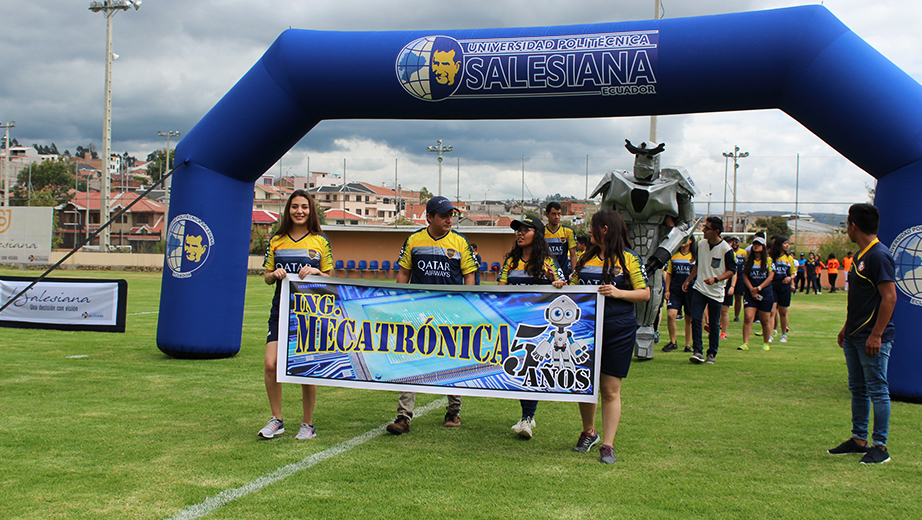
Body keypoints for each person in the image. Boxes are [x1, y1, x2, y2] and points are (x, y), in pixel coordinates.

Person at [386, 196, 478, 435]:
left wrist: (464, 306)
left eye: (451, 215)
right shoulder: (414, 239)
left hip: (451, 313)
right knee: (408, 361)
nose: (449, 219)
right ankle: (403, 416)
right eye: (443, 215)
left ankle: (453, 411)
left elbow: (469, 275)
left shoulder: (460, 242)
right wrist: (399, 302)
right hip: (417, 312)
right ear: (429, 217)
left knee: (453, 359)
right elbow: (403, 273)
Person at [569, 209, 650, 464]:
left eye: (593, 227)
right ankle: (588, 432)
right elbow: (573, 288)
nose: (589, 231)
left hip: (619, 329)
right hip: (586, 330)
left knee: (610, 390)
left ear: (605, 229)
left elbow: (645, 294)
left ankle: (608, 444)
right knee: (585, 385)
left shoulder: (630, 259)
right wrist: (561, 284)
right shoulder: (584, 259)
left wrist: (618, 292)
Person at [259, 190, 333, 440]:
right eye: (294, 207)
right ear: (288, 210)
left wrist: (315, 272)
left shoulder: (320, 241)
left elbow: (331, 278)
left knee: (305, 368)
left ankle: (308, 424)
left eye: (304, 207)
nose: (299, 211)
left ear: (311, 211)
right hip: (280, 309)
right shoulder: (277, 240)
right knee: (271, 365)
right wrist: (275, 275)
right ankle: (277, 420)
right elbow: (267, 277)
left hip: (309, 314)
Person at [827, 204, 896, 464]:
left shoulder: (879, 256)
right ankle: (858, 439)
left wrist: (877, 335)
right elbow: (858, 300)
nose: (847, 229)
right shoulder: (860, 255)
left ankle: (881, 446)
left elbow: (889, 298)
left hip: (872, 338)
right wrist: (847, 327)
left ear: (853, 226)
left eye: (847, 224)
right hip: (855, 336)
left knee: (877, 390)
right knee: (858, 389)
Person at [497, 215, 565, 439]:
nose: (520, 233)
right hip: (514, 324)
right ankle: (528, 415)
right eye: (518, 230)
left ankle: (527, 417)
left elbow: (563, 287)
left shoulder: (548, 261)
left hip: (539, 326)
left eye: (526, 230)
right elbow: (500, 290)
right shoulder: (511, 261)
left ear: (537, 234)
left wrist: (555, 283)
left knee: (530, 369)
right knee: (519, 370)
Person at [683, 217, 735, 364]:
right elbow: (699, 264)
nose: (703, 230)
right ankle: (697, 351)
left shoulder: (726, 249)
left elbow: (732, 270)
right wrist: (688, 280)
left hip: (716, 291)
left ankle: (711, 353)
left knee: (713, 324)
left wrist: (716, 279)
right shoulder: (701, 244)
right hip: (699, 288)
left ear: (716, 231)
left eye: (707, 228)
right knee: (696, 320)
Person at [737, 237, 775, 351]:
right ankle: (745, 343)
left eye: (759, 244)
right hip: (750, 292)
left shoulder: (768, 260)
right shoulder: (748, 260)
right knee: (748, 317)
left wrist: (759, 288)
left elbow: (770, 276)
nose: (756, 246)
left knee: (765, 320)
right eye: (754, 244)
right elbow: (745, 276)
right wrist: (752, 289)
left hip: (765, 292)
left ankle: (766, 343)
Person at [662, 236, 695, 352]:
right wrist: (667, 289)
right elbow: (669, 273)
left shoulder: (694, 257)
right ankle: (673, 342)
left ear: (691, 241)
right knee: (671, 315)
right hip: (675, 290)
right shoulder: (674, 256)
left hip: (690, 290)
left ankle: (688, 345)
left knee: (689, 318)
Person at [769, 236, 796, 343]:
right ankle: (770, 334)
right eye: (785, 243)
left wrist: (790, 278)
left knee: (783, 312)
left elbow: (793, 273)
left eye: (788, 243)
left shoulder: (789, 258)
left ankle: (784, 334)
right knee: (772, 311)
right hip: (773, 285)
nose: (787, 245)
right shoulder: (771, 258)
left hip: (784, 286)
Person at [545, 201, 578, 280]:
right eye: (553, 214)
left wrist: (574, 275)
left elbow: (573, 255)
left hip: (564, 274)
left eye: (559, 214)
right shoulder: (541, 232)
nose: (557, 217)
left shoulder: (568, 231)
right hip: (546, 274)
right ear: (547, 215)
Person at [728, 236, 747, 322]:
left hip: (740, 277)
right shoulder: (728, 251)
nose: (735, 243)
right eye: (733, 241)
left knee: (738, 296)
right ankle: (724, 314)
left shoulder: (743, 252)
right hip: (729, 275)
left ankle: (736, 316)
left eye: (737, 242)